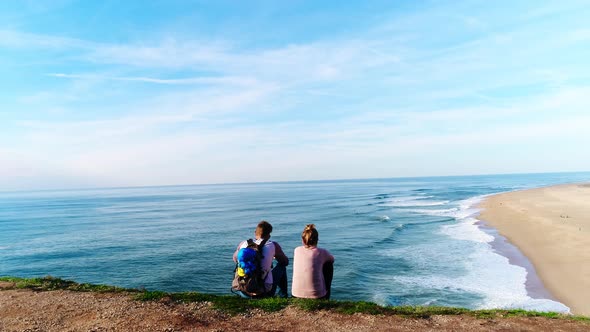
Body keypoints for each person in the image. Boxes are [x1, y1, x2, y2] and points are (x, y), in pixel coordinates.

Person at [232, 220, 289, 298]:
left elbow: (235, 259)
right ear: (269, 235)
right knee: (281, 267)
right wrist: (271, 257)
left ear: (255, 232)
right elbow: (285, 262)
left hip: (242, 290)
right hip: (264, 292)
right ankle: (283, 296)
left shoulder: (243, 244)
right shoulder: (273, 245)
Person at [292, 224, 334, 299]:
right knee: (328, 264)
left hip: (296, 294)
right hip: (317, 296)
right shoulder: (321, 252)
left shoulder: (297, 250)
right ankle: (326, 295)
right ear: (317, 240)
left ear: (302, 240)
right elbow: (332, 259)